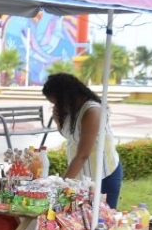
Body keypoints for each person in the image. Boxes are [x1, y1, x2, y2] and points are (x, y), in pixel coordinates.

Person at [41, 72, 123, 208]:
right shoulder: (72, 110)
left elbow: (83, 155)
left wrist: (62, 185)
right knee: (81, 222)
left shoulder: (92, 111)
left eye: (57, 102)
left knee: (101, 222)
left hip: (103, 175)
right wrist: (59, 122)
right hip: (84, 177)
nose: (56, 106)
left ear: (67, 96)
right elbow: (73, 137)